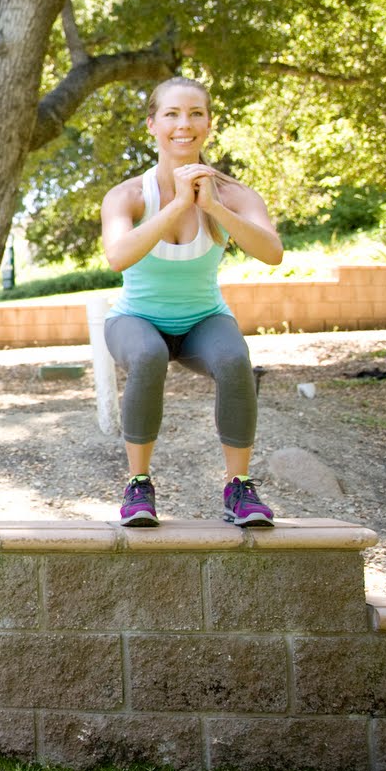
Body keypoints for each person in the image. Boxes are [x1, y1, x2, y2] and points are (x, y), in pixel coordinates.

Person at [101, 76, 284, 527]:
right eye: (172, 114)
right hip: (136, 319)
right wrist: (178, 204)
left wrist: (213, 207)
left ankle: (238, 488)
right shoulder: (127, 196)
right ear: (152, 125)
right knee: (148, 356)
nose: (184, 124)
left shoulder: (234, 194)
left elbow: (272, 253)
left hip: (204, 319)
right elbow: (117, 256)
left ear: (208, 124)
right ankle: (138, 485)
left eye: (195, 114)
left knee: (235, 359)